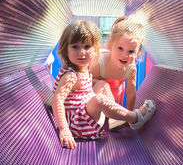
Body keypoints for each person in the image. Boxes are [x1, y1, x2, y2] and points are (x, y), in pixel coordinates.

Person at [52, 20, 156, 149]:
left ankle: (114, 121)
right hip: (76, 124)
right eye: (75, 47)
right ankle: (134, 117)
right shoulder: (71, 75)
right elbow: (57, 99)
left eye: (86, 47)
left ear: (95, 49)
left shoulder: (81, 70)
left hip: (82, 115)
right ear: (65, 49)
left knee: (103, 85)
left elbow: (129, 92)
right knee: (98, 100)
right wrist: (63, 129)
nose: (82, 52)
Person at [90, 16, 146, 129]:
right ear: (110, 46)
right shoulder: (100, 61)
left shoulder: (131, 68)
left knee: (114, 117)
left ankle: (118, 121)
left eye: (131, 51)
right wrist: (102, 84)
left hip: (115, 98)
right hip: (94, 100)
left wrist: (127, 117)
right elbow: (86, 83)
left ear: (138, 52)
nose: (125, 55)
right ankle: (93, 120)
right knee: (101, 85)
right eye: (120, 48)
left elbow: (130, 93)